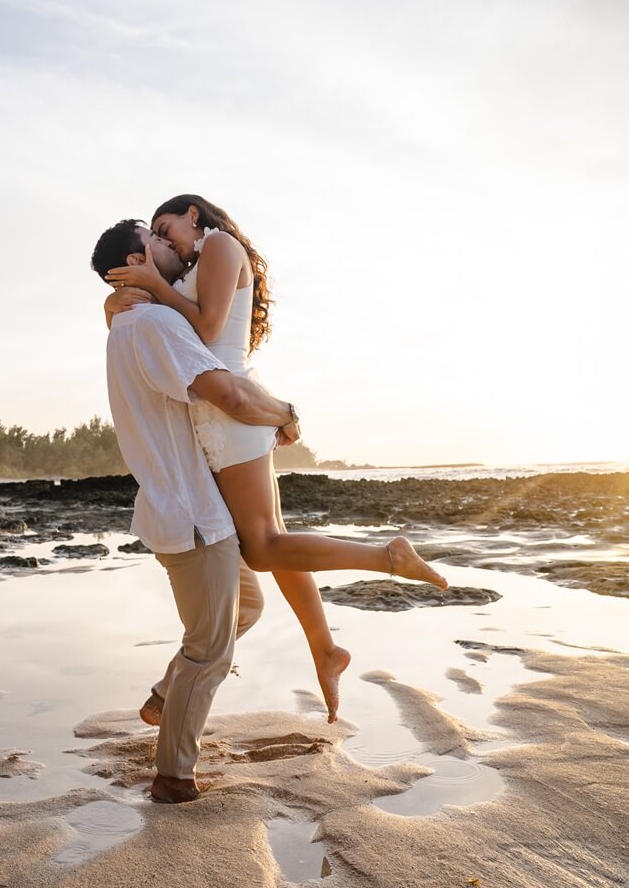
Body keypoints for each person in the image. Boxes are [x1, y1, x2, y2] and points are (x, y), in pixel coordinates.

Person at [102, 196, 448, 722]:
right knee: (274, 542)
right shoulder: (190, 267)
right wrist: (118, 302)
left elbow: (208, 330)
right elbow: (154, 323)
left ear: (193, 214)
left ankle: (388, 557)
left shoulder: (220, 244)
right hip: (217, 414)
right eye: (155, 235)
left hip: (231, 413)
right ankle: (325, 649)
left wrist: (152, 285)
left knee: (263, 549)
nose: (165, 240)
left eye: (166, 228)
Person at [90, 220, 302, 804]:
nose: (171, 245)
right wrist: (285, 413)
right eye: (155, 238)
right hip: (189, 513)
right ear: (138, 260)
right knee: (210, 649)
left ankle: (166, 695)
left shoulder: (130, 323)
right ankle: (173, 779)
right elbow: (227, 392)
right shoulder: (154, 324)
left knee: (247, 605)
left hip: (187, 506)